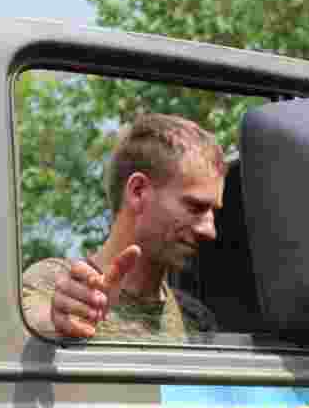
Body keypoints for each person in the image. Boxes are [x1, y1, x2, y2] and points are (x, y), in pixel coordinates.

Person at [22, 113, 226, 340]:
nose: (210, 231)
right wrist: (57, 323)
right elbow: (24, 331)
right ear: (138, 191)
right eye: (195, 207)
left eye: (213, 212)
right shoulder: (51, 282)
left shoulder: (196, 320)